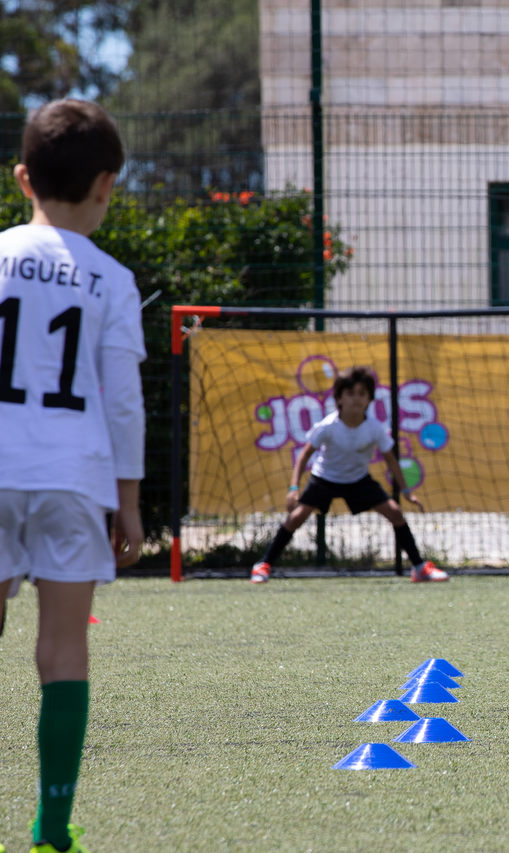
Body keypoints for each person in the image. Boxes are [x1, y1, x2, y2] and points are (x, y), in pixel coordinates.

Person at [0, 99, 146, 853]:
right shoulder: (113, 280)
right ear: (106, 186)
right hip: (72, 476)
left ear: (22, 177)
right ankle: (51, 828)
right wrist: (129, 506)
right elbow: (122, 402)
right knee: (62, 650)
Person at [250, 365, 448, 583]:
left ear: (370, 399)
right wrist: (294, 488)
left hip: (358, 480)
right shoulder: (328, 426)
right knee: (295, 517)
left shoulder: (373, 428)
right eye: (350, 393)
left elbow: (391, 459)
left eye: (362, 394)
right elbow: (304, 455)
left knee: (395, 513)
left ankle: (420, 568)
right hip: (324, 478)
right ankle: (263, 565)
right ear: (339, 398)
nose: (356, 399)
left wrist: (407, 492)